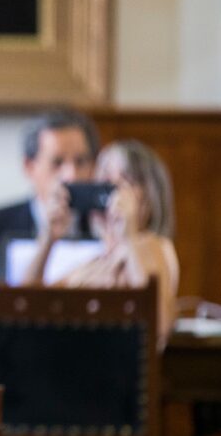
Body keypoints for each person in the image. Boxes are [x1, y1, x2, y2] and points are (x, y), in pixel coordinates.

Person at [23, 139, 179, 340]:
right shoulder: (95, 263)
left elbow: (159, 327)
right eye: (99, 181)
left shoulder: (149, 245)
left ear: (146, 196)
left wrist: (128, 236)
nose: (105, 193)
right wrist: (48, 239)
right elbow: (23, 306)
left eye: (120, 182)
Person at [0, 109, 100, 279]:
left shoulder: (105, 226)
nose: (71, 175)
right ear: (29, 166)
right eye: (57, 162)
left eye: (81, 161)